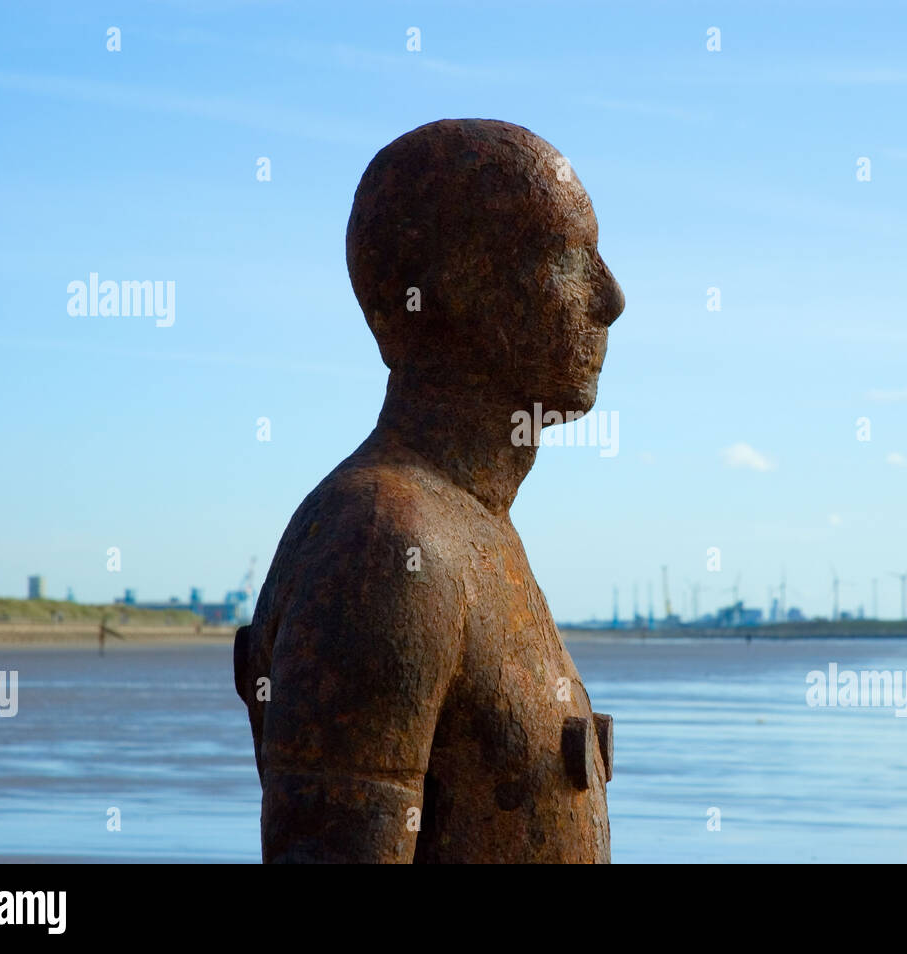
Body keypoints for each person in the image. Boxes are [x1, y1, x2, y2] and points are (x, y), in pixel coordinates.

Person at [235, 119, 624, 863]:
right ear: (451, 293)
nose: (610, 297)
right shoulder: (386, 543)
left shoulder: (473, 530)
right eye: (569, 259)